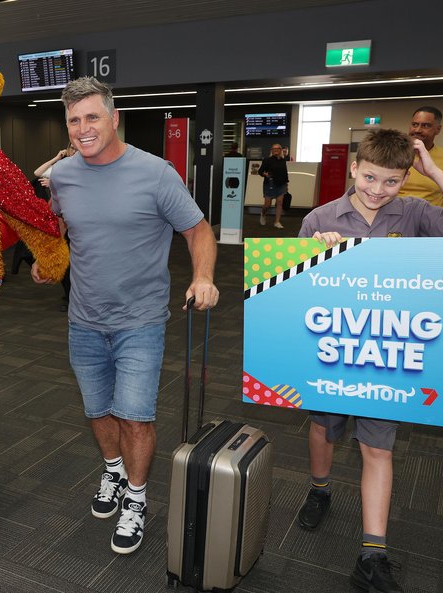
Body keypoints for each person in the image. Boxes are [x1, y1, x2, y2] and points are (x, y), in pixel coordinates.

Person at [32, 77, 219, 555]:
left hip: (140, 319)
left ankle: (136, 497)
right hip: (83, 319)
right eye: (74, 120)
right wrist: (47, 260)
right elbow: (59, 227)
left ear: (115, 119)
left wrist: (202, 277)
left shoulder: (155, 173)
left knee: (135, 416)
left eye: (92, 117)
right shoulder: (65, 176)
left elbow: (198, 231)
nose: (82, 128)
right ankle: (112, 470)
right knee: (98, 411)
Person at [298, 128, 443, 593]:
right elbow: (289, 290)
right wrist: (314, 256)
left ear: (405, 178)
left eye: (391, 181)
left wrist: (435, 171)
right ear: (353, 169)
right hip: (332, 350)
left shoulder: (417, 213)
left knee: (379, 447)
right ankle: (319, 489)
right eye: (370, 177)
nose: (378, 189)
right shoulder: (321, 217)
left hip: (387, 356)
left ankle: (373, 554)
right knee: (324, 427)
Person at [34, 145, 76, 309]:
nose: (74, 151)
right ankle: (69, 297)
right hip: (61, 218)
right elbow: (38, 173)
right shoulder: (62, 167)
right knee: (65, 257)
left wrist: (54, 183)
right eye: (71, 148)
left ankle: (72, 298)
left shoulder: (85, 169)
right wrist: (57, 158)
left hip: (74, 220)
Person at [397, 106, 443, 207]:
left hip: (431, 220)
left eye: (426, 125)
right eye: (414, 124)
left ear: (438, 129)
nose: (418, 130)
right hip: (395, 219)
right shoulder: (392, 154)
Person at [258, 143, 288, 228]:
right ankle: (263, 214)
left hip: (281, 184)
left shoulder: (283, 160)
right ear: (272, 150)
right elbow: (260, 171)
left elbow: (285, 173)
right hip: (269, 184)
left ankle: (277, 222)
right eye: (274, 149)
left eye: (277, 148)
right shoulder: (267, 160)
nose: (275, 150)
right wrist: (265, 174)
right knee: (267, 205)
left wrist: (286, 184)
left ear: (280, 150)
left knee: (279, 203)